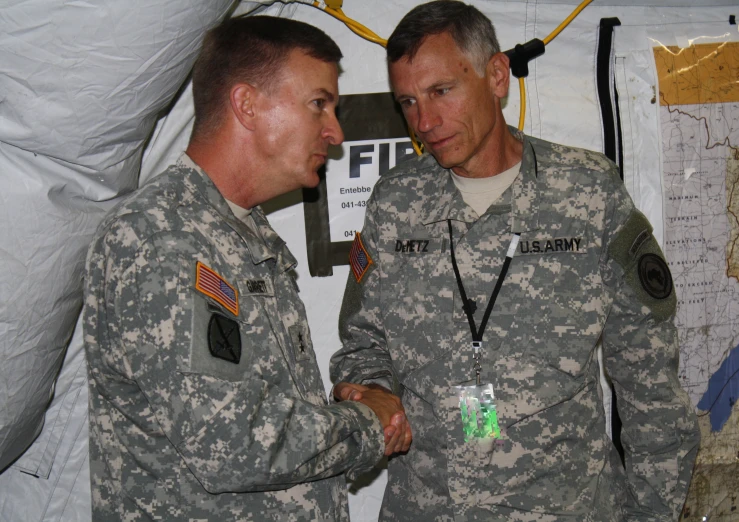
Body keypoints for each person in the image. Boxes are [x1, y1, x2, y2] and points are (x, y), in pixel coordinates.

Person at [330, 1, 700, 520]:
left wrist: (654, 512)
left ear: (497, 76)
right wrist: (371, 392)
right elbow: (362, 342)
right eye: (408, 101)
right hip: (433, 507)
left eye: (442, 91)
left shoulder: (586, 192)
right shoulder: (395, 205)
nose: (425, 121)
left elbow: (650, 381)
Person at [83, 15, 410, 522]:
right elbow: (231, 440)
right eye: (318, 103)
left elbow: (257, 402)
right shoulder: (163, 237)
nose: (336, 131)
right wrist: (368, 422)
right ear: (247, 104)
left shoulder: (243, 231)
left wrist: (348, 404)